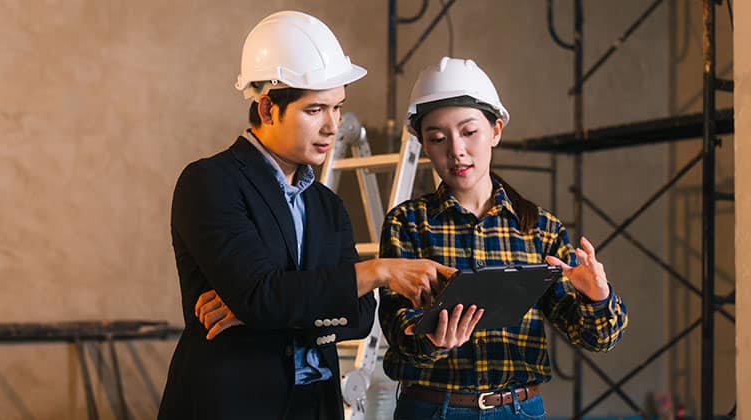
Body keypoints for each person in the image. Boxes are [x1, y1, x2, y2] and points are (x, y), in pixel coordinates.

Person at [157, 11, 455, 420]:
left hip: (316, 407)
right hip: (234, 406)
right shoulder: (210, 183)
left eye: (338, 108)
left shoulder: (325, 204)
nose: (333, 126)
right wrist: (376, 272)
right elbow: (263, 297)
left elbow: (360, 317)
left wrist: (263, 310)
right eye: (315, 110)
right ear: (266, 109)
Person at [377, 57, 629, 419]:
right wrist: (429, 338)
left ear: (495, 131)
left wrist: (597, 296)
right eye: (437, 138)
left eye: (469, 132)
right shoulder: (408, 224)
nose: (456, 150)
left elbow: (599, 338)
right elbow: (395, 324)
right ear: (423, 144)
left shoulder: (540, 229)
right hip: (433, 410)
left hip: (519, 410)